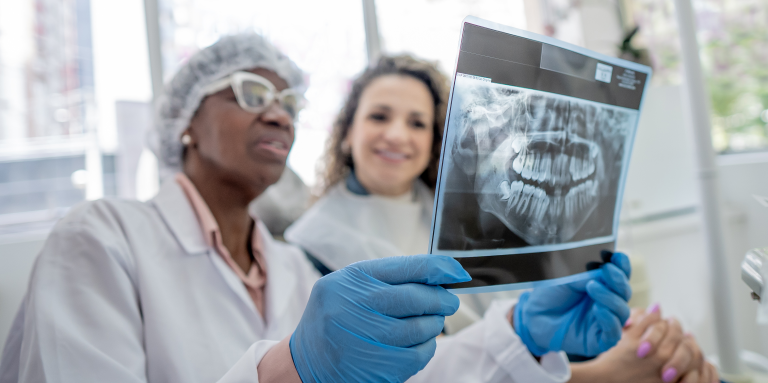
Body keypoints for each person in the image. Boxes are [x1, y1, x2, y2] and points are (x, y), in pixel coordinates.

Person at [0, 34, 630, 383]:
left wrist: (513, 337)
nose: (278, 112)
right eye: (252, 93)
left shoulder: (292, 271)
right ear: (184, 119)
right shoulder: (103, 240)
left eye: (289, 103)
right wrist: (286, 372)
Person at [285, 54, 719, 383]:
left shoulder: (460, 212)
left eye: (417, 123)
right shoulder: (310, 249)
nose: (398, 134)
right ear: (346, 133)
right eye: (379, 116)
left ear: (434, 139)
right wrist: (604, 374)